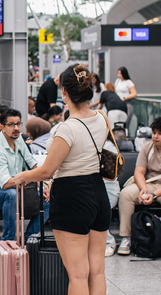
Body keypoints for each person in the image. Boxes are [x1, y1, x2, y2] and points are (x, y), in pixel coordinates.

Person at [12, 64, 111, 295]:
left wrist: (22, 176)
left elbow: (47, 170)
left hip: (71, 197)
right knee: (97, 271)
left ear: (64, 92)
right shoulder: (103, 118)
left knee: (77, 275)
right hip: (98, 193)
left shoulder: (65, 129)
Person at [117, 117, 161, 259]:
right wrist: (143, 190)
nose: (155, 136)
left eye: (160, 133)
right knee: (126, 194)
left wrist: (153, 195)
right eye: (154, 132)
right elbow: (139, 172)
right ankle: (127, 238)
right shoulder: (147, 147)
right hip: (150, 183)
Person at [0, 109, 48, 241]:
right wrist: (29, 178)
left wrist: (42, 186)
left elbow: (32, 164)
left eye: (18, 124)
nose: (16, 128)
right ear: (2, 127)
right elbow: (6, 184)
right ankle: (8, 240)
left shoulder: (18, 139)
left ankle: (29, 239)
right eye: (11, 125)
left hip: (18, 187)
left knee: (47, 200)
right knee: (11, 195)